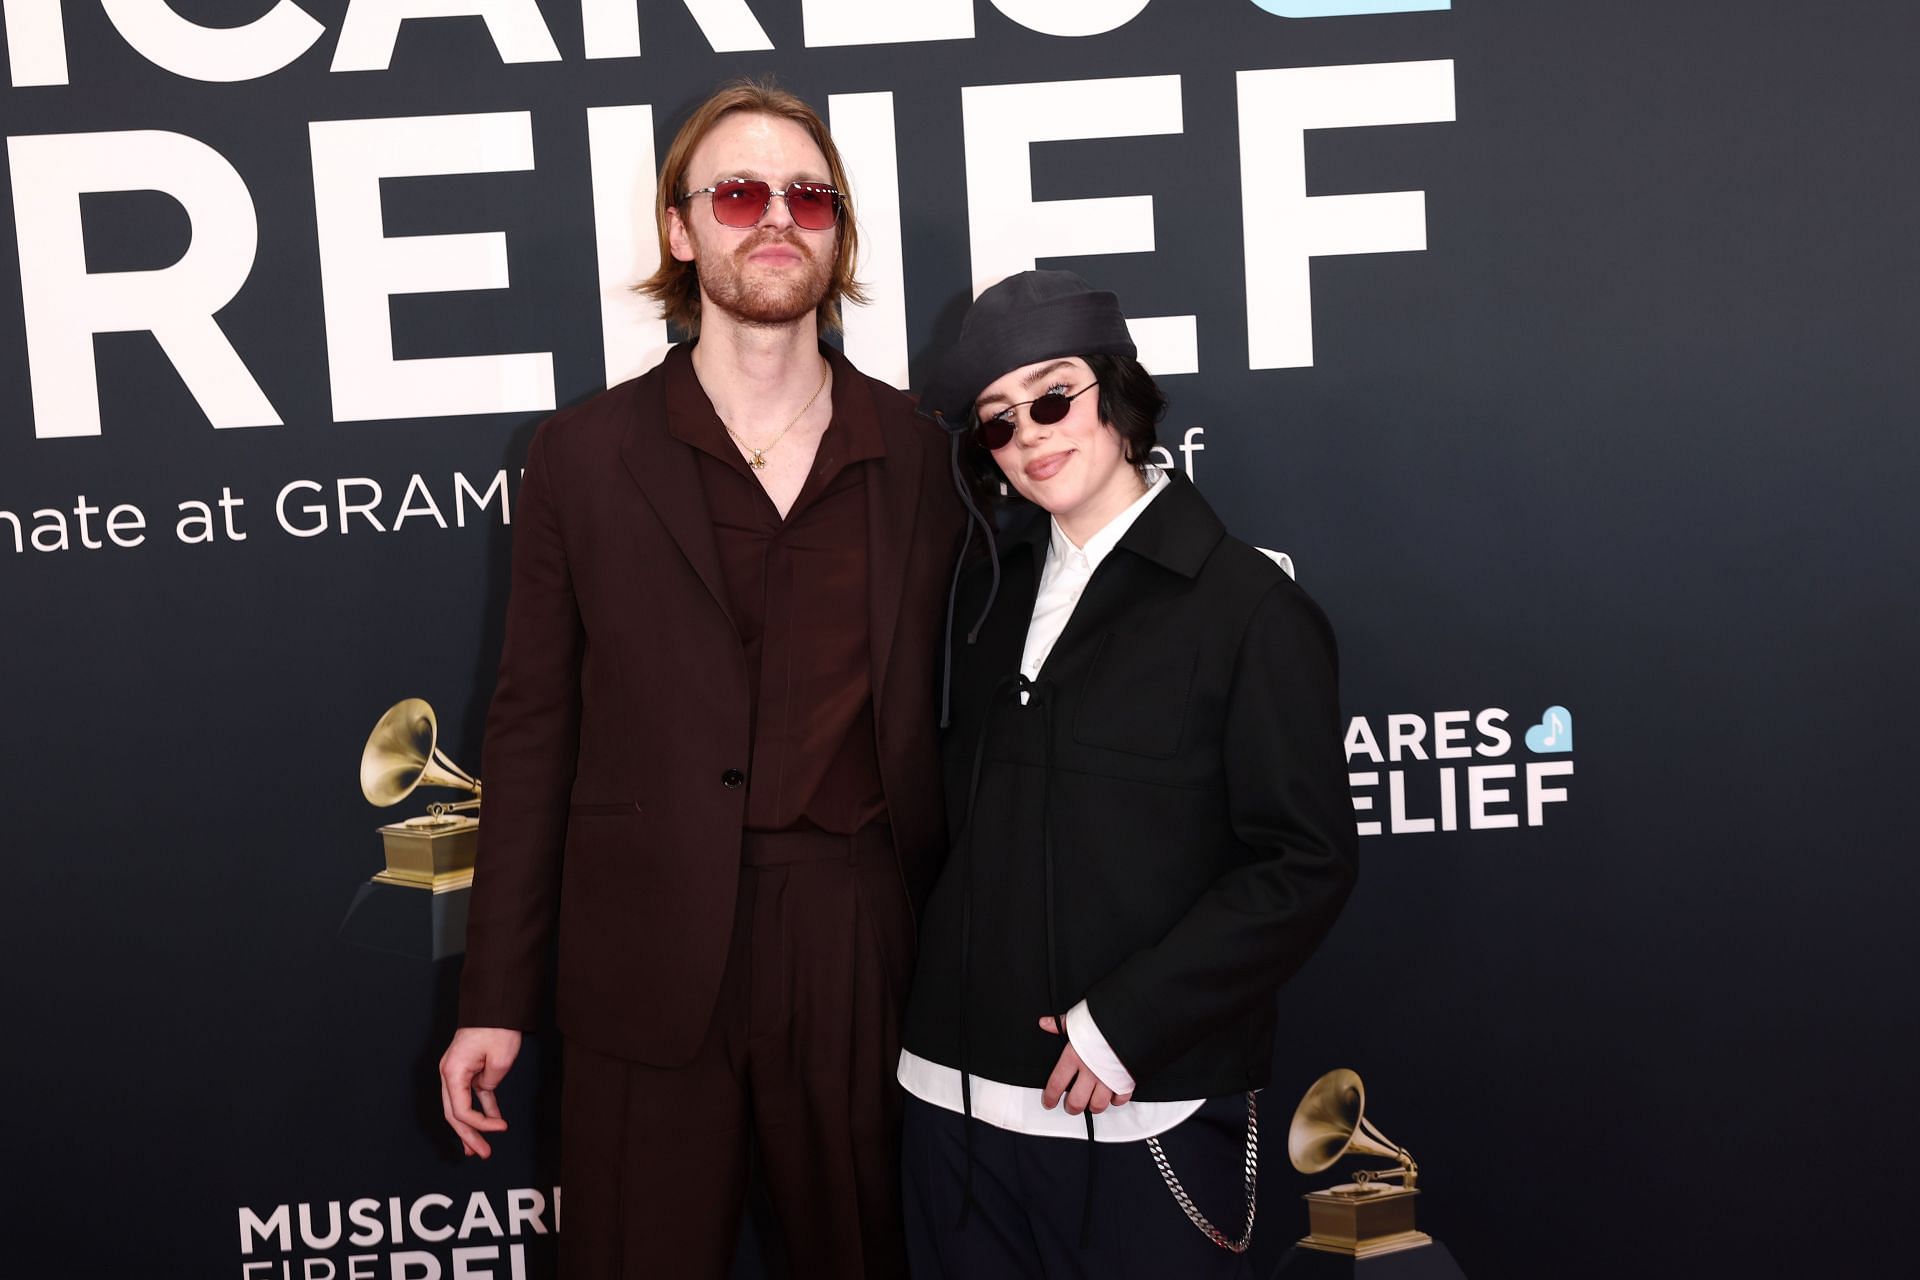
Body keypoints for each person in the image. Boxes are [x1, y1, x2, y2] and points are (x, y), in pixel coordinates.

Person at [436, 79, 963, 1280]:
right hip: (642, 947)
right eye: (737, 191)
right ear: (681, 229)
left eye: (809, 197)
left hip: (857, 944)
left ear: (839, 234)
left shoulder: (924, 455)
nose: (776, 218)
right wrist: (495, 993)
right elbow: (531, 734)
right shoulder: (583, 454)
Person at [899, 270, 1360, 1277]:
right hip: (948, 1106)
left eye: (1053, 397)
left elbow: (1303, 861)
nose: (1030, 436)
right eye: (997, 421)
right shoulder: (981, 597)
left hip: (1140, 1107)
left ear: (1117, 394)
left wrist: (1127, 1023)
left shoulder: (1249, 609)